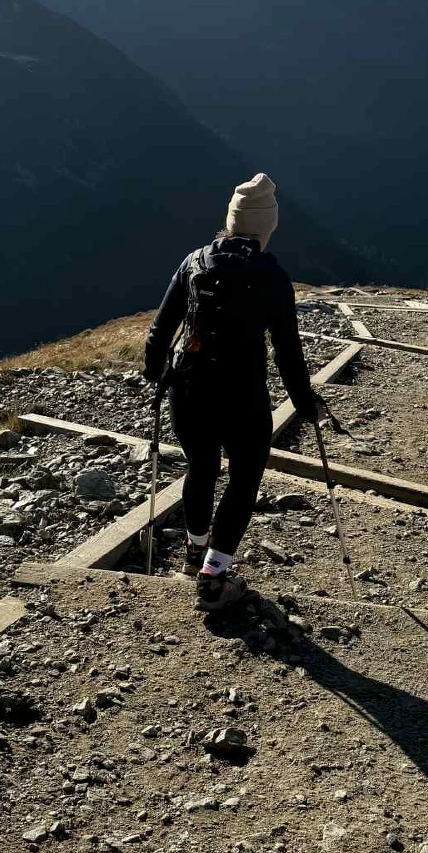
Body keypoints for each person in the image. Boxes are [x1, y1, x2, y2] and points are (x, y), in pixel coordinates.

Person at [143, 172, 319, 612]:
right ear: (268, 226)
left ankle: (192, 553)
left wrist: (157, 374)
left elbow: (160, 332)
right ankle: (213, 576)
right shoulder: (273, 276)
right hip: (243, 396)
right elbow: (287, 351)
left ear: (231, 220)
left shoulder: (195, 261)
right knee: (243, 479)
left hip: (189, 389)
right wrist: (305, 404)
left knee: (200, 467)